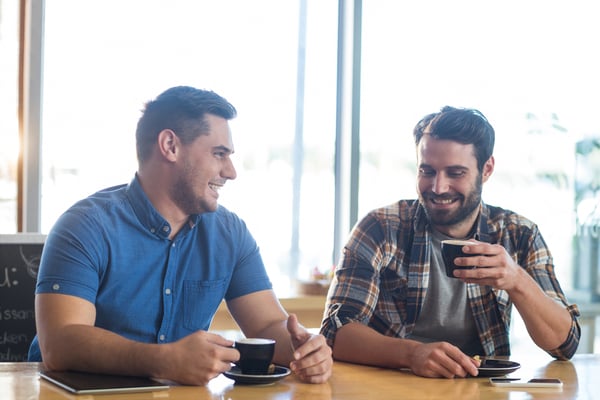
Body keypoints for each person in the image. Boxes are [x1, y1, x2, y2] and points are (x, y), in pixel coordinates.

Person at [28, 86, 332, 385]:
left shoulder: (230, 234)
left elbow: (267, 324)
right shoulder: (83, 226)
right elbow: (60, 343)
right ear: (170, 146)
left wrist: (304, 348)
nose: (231, 171)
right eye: (219, 154)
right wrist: (164, 360)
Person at [320, 106, 580, 379]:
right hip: (391, 386)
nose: (438, 187)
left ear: (487, 169)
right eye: (427, 171)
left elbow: (565, 344)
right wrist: (412, 354)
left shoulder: (519, 233)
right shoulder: (381, 228)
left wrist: (517, 280)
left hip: (480, 391)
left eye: (455, 173)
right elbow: (337, 332)